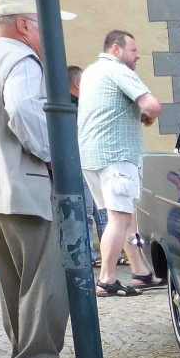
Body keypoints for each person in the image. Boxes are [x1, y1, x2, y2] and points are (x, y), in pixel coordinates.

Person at [0, 0, 79, 358]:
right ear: (25, 25)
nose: (51, 37)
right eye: (46, 26)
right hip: (24, 185)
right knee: (45, 280)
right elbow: (24, 110)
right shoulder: (21, 57)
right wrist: (51, 155)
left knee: (16, 283)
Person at [77, 29, 162, 297]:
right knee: (119, 217)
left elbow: (109, 110)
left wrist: (140, 116)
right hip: (117, 155)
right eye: (134, 50)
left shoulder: (91, 72)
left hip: (93, 155)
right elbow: (153, 105)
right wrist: (148, 114)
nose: (138, 56)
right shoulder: (118, 70)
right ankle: (107, 279)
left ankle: (141, 271)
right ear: (117, 49)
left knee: (126, 215)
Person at [69, 63, 109, 262]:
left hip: (87, 161)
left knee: (98, 212)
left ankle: (102, 254)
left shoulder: (78, 105)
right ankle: (93, 254)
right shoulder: (73, 106)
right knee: (91, 213)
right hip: (82, 162)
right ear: (77, 83)